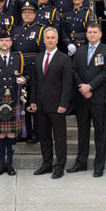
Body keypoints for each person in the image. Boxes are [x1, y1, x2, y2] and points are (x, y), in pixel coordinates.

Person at [69, 22, 106, 177]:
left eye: (95, 32)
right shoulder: (80, 51)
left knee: (100, 132)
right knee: (82, 132)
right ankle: (81, 162)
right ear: (86, 34)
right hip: (81, 97)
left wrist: (90, 87)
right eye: (90, 32)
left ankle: (99, 166)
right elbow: (74, 70)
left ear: (101, 34)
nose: (92, 34)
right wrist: (82, 87)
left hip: (97, 97)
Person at [29, 26, 73, 179]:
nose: (50, 40)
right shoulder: (38, 58)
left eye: (52, 38)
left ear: (57, 40)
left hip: (57, 106)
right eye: (47, 38)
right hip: (40, 105)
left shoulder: (64, 59)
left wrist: (64, 104)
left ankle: (59, 166)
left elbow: (67, 84)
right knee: (44, 137)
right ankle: (46, 164)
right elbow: (35, 81)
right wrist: (33, 100)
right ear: (44, 40)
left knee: (59, 138)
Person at [0, 28, 26, 176]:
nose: (4, 43)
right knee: (0, 134)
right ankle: (1, 164)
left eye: (7, 40)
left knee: (12, 134)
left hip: (13, 100)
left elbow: (25, 75)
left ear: (11, 42)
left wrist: (24, 79)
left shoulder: (18, 58)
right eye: (2, 40)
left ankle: (10, 164)